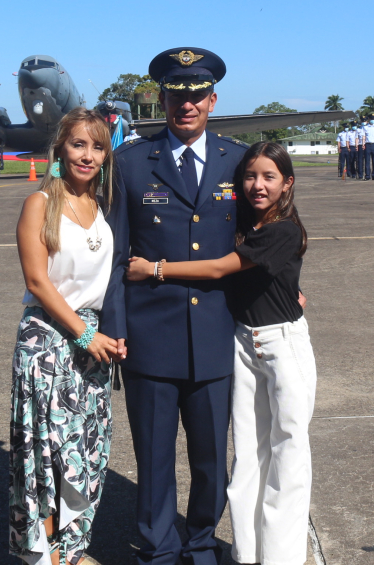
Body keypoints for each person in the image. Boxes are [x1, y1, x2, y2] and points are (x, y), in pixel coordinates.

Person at [127, 141, 315, 565]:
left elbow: (218, 268)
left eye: (269, 177)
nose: (257, 185)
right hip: (242, 343)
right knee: (247, 456)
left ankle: (278, 558)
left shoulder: (282, 228)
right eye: (250, 177)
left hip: (279, 347)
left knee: (286, 455)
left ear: (288, 184)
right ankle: (248, 554)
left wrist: (154, 269)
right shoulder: (250, 222)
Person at [103, 47, 247, 565]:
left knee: (211, 460)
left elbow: (262, 239)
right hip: (150, 334)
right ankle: (159, 549)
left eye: (196, 97)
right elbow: (117, 255)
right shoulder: (131, 163)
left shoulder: (239, 161)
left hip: (215, 332)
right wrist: (115, 328)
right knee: (155, 458)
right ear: (163, 100)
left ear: (212, 100)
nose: (186, 106)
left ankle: (202, 541)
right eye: (176, 97)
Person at [10, 107, 122, 565]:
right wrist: (82, 334)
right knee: (49, 453)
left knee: (86, 454)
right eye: (79, 144)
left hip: (92, 344)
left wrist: (105, 336)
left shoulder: (103, 206)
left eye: (97, 147)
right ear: (60, 148)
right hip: (48, 343)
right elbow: (38, 281)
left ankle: (72, 550)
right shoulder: (40, 203)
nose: (88, 155)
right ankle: (46, 555)